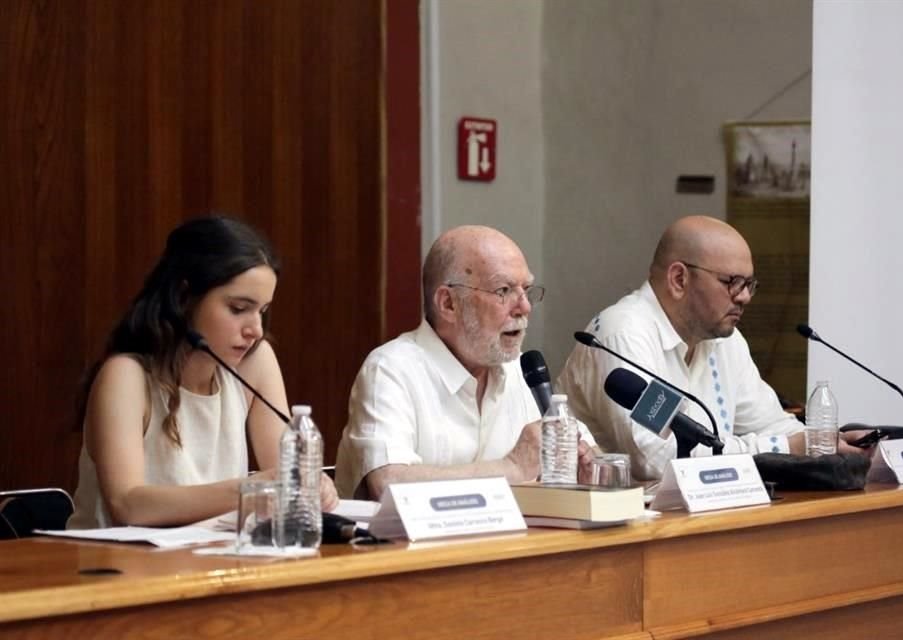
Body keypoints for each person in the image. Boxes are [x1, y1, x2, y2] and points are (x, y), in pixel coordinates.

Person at [68, 216, 338, 528]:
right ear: (184, 298)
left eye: (262, 312)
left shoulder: (256, 363)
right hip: (115, 567)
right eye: (238, 309)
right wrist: (250, 489)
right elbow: (128, 505)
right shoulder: (126, 375)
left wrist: (312, 487)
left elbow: (283, 480)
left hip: (209, 560)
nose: (256, 330)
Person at [558, 215, 871, 481]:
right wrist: (787, 447)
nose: (745, 297)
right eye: (732, 282)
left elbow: (771, 423)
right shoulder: (624, 333)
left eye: (750, 285)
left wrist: (827, 443)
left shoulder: (725, 340)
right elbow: (655, 458)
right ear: (679, 278)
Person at [335, 225, 594, 500]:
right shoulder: (391, 369)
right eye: (503, 290)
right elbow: (387, 484)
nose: (524, 307)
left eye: (527, 289)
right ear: (448, 304)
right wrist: (514, 468)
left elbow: (590, 451)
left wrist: (587, 469)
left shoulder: (521, 370)